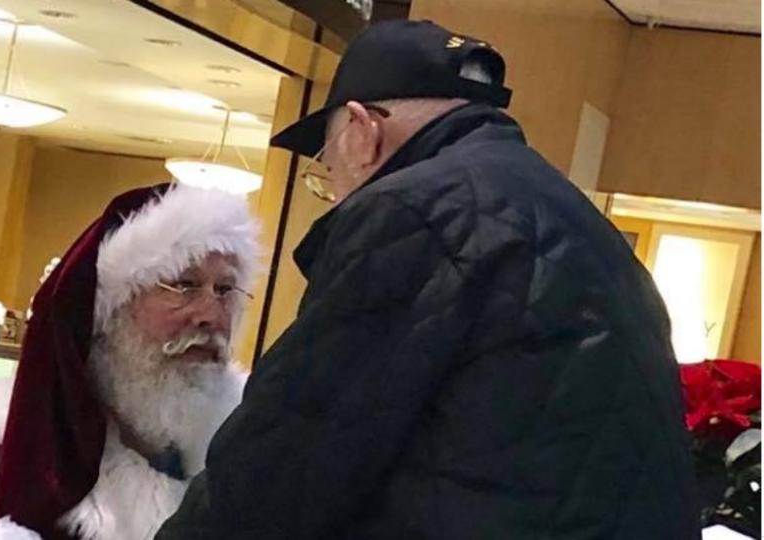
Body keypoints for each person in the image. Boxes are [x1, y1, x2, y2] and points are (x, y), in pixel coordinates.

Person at [157, 20, 700, 539]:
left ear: (362, 131)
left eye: (326, 164)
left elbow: (285, 459)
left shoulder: (414, 211)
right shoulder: (575, 218)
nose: (335, 188)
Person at [0, 183, 260, 539]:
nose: (212, 315)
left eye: (225, 290)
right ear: (112, 313)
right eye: (185, 285)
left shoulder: (239, 471)